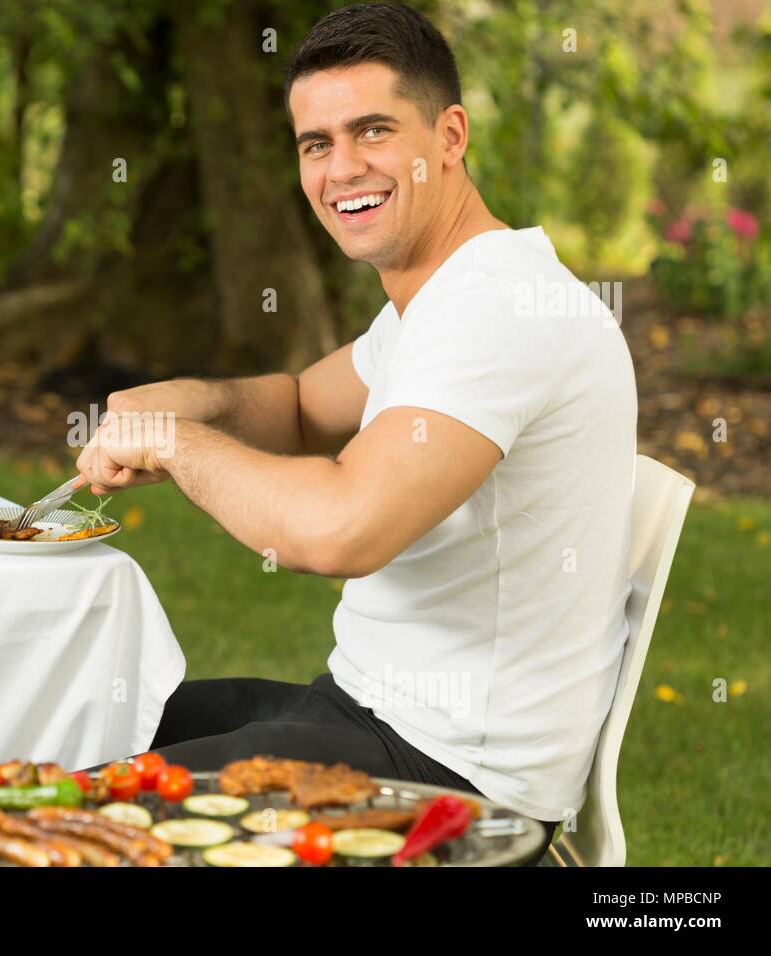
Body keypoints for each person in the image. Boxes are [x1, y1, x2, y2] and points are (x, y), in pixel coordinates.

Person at [72, 3, 637, 865]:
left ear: (449, 136)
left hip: (449, 779)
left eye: (372, 130)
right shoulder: (441, 295)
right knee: (81, 721)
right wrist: (179, 403)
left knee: (88, 825)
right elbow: (301, 406)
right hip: (365, 714)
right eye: (316, 142)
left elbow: (339, 531)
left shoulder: (498, 311)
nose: (342, 168)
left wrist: (175, 443)